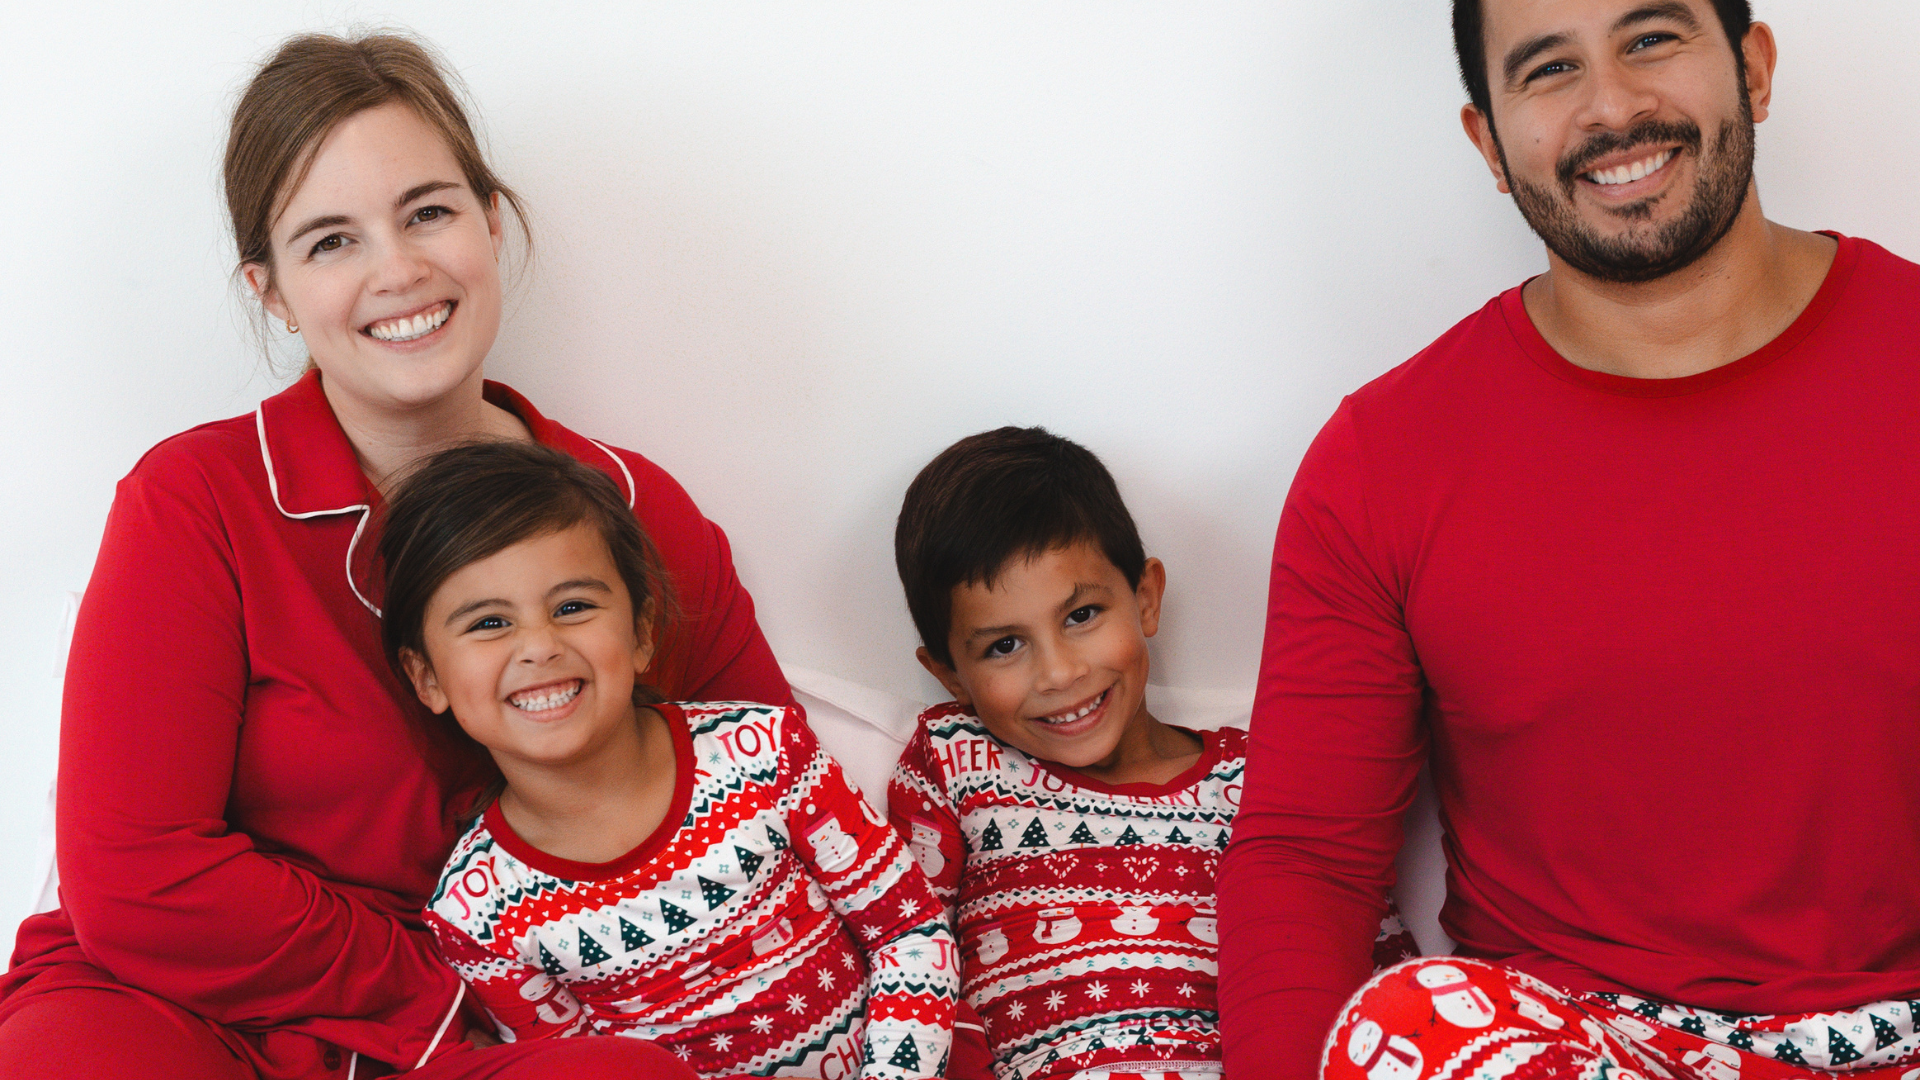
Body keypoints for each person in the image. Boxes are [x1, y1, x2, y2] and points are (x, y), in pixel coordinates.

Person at [0, 31, 792, 1080]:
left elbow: (771, 791)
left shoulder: (634, 510)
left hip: (486, 1038)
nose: (399, 269)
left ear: (489, 220)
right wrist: (431, 992)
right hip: (185, 1005)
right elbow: (138, 876)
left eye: (428, 212)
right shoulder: (195, 501)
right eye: (331, 241)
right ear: (272, 290)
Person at [1216, 1, 1920, 1078]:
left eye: (1652, 39)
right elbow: (1307, 859)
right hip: (1581, 1048)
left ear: (1755, 70)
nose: (1612, 107)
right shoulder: (1381, 462)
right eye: (1548, 69)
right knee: (1409, 1024)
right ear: (1490, 145)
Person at [380, 441, 957, 1078]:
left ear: (642, 632)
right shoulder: (475, 912)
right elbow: (585, 1070)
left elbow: (910, 932)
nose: (539, 646)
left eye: (573, 608)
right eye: (488, 623)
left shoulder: (764, 750)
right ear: (426, 676)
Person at [888, 428, 1415, 1080]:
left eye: (1080, 615)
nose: (1058, 673)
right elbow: (905, 957)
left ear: (1145, 598)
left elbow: (1366, 963)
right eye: (1004, 647)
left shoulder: (1267, 777)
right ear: (947, 673)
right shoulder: (955, 761)